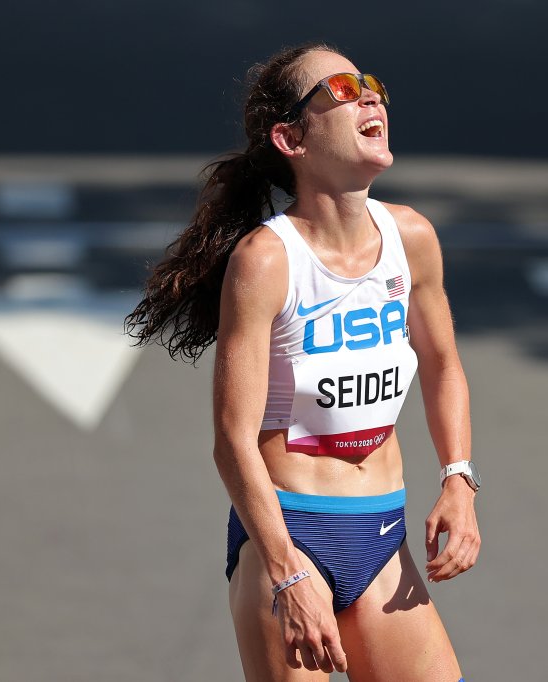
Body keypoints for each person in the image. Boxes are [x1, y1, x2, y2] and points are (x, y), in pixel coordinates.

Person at [125, 42, 481, 680]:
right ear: (292, 138)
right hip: (288, 540)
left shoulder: (413, 239)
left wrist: (458, 477)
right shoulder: (267, 262)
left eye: (371, 83)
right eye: (342, 90)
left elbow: (443, 365)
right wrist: (288, 574)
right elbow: (232, 440)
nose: (370, 96)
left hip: (380, 534)